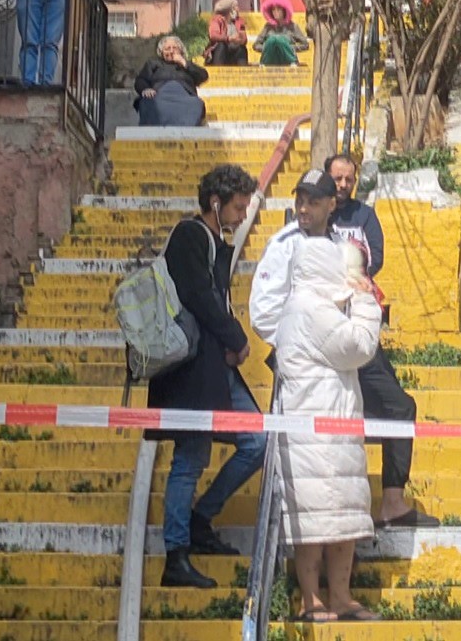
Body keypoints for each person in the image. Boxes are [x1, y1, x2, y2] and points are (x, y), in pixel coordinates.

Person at [250, 168, 440, 528]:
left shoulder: (343, 246)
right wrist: (297, 342)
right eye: (300, 200)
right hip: (306, 357)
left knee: (399, 407)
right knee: (318, 439)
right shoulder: (284, 245)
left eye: (313, 201)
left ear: (331, 204)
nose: (303, 208)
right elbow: (263, 309)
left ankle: (393, 503)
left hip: (347, 344)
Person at [150, 165, 266, 588]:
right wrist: (236, 336)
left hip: (215, 367)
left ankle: (200, 519)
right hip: (193, 368)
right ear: (215, 203)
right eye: (238, 207)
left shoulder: (217, 241)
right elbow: (200, 297)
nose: (242, 215)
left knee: (257, 441)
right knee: (190, 458)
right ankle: (176, 555)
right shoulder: (190, 236)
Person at [275, 238, 383, 622]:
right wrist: (367, 304)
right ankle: (312, 599)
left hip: (333, 422)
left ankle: (340, 595)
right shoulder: (310, 308)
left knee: (341, 514)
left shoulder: (307, 305)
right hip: (315, 430)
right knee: (315, 518)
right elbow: (358, 345)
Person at [325, 155, 383, 278]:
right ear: (327, 179)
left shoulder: (365, 214)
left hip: (357, 285)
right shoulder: (318, 213)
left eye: (349, 180)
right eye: (338, 179)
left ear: (355, 182)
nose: (343, 184)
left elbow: (376, 258)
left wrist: (357, 278)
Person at [134, 36, 209, 126]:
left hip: (184, 96)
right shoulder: (153, 63)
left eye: (175, 48)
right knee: (148, 103)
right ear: (161, 52)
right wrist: (145, 89)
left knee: (196, 104)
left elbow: (203, 76)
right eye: (167, 49)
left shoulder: (186, 65)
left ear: (181, 51)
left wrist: (184, 63)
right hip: (160, 95)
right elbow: (141, 79)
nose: (171, 51)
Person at [253, 0, 310, 67]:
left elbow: (305, 45)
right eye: (273, 10)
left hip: (287, 59)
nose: (275, 12)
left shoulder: (293, 26)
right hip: (271, 59)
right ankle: (264, 62)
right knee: (272, 40)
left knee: (281, 40)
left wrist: (289, 47)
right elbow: (256, 45)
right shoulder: (268, 27)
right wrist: (267, 46)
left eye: (278, 9)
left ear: (284, 10)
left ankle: (292, 61)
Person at [206, 0, 249, 66]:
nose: (238, 9)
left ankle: (243, 73)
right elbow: (213, 35)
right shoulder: (217, 20)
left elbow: (244, 41)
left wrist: (241, 38)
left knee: (242, 49)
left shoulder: (239, 22)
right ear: (230, 10)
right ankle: (218, 70)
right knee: (221, 45)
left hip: (233, 52)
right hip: (219, 54)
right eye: (236, 7)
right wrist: (229, 39)